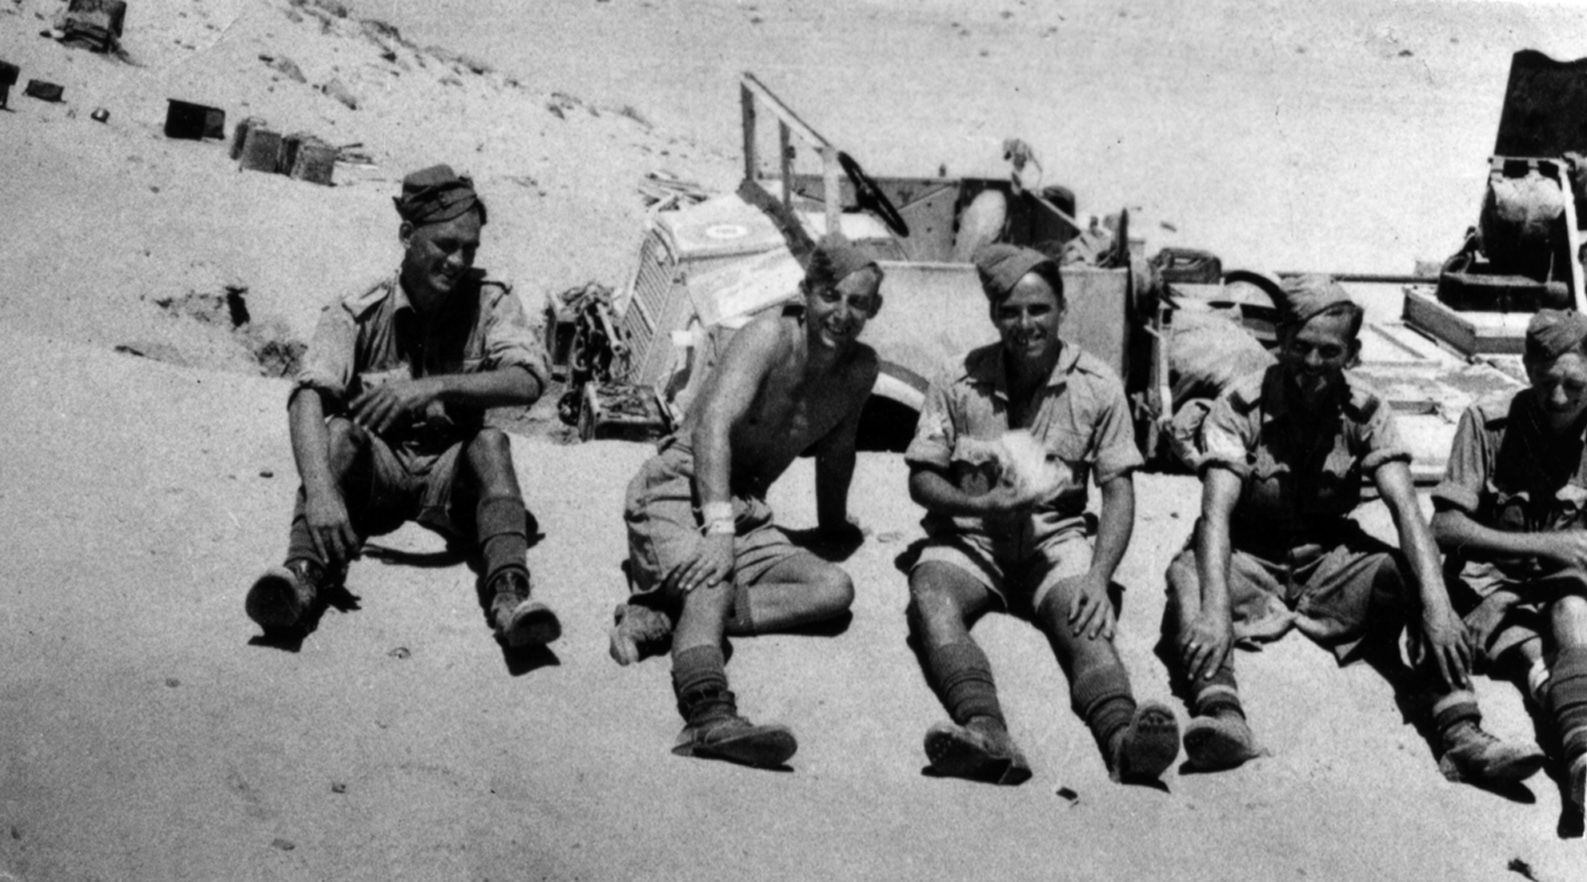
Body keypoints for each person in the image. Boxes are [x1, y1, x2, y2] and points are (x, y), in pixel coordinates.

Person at [1160, 274, 1543, 786]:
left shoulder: (1366, 411)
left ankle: (1461, 733)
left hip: (1329, 563)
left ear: (1353, 353)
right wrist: (1213, 610)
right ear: (1281, 340)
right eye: (1300, 348)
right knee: (1189, 578)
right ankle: (1222, 716)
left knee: (1414, 578)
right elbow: (1215, 515)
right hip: (1249, 556)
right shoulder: (1240, 406)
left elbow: (1407, 511)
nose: (1312, 366)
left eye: (1329, 352)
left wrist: (1437, 607)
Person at [246, 165, 559, 649]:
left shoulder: (491, 301)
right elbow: (308, 395)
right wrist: (323, 493)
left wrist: (433, 387)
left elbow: (528, 380)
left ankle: (510, 597)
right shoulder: (357, 309)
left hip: (452, 476)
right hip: (379, 477)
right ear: (407, 235)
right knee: (339, 434)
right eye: (445, 245)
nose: (458, 261)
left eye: (470, 249)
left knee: (491, 443)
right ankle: (300, 581)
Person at [903, 244, 1180, 786]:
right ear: (993, 315)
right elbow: (922, 480)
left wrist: (1099, 578)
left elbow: (1118, 493)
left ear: (1061, 309)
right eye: (1011, 311)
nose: (1025, 324)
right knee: (931, 599)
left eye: (1039, 310)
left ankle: (1125, 742)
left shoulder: (1098, 387)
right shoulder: (955, 381)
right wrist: (981, 504)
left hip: (1055, 540)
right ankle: (986, 733)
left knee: (1087, 624)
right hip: (973, 541)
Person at [612, 237, 881, 768]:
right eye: (831, 296)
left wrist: (833, 525)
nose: (842, 314)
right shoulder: (767, 338)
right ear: (806, 293)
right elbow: (713, 426)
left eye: (858, 303)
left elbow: (839, 449)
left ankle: (672, 614)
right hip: (681, 483)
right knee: (713, 577)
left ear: (873, 309)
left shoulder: (861, 370)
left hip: (744, 504)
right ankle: (707, 716)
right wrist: (718, 532)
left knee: (833, 588)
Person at [1430, 308, 1587, 808]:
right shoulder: (1488, 422)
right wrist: (1545, 547)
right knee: (1521, 646)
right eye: (1545, 382)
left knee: (1572, 609)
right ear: (1525, 366)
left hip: (1567, 586)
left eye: (1576, 386)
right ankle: (1570, 719)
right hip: (1491, 581)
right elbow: (1446, 527)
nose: (1558, 399)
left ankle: (1581, 753)